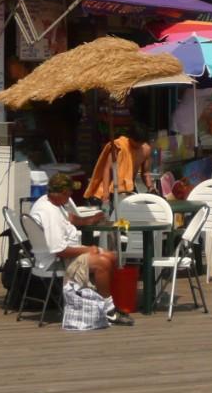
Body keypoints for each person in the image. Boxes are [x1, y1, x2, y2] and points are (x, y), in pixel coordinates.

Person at [30, 173, 132, 325]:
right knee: (102, 263)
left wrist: (91, 219)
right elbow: (60, 250)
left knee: (110, 256)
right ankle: (109, 311)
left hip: (66, 252)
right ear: (63, 193)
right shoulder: (49, 213)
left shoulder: (50, 202)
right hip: (57, 260)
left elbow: (70, 219)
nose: (71, 195)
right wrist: (88, 250)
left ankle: (99, 302)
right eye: (70, 192)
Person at [85, 125, 152, 201]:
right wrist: (105, 192)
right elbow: (107, 168)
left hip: (129, 188)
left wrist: (150, 187)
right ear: (130, 137)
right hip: (112, 189)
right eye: (136, 142)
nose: (138, 145)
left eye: (141, 143)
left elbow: (145, 173)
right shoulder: (119, 146)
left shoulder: (146, 150)